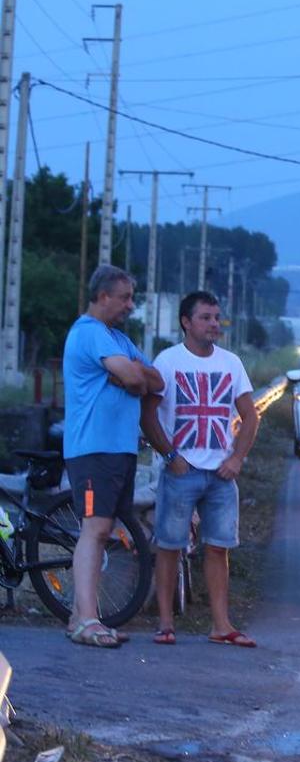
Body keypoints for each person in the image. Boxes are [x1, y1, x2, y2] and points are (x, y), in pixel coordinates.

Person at [141, 290, 260, 648]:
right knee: (169, 546)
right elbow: (148, 415)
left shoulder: (231, 363)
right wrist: (171, 456)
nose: (213, 324)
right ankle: (165, 624)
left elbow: (250, 416)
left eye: (216, 317)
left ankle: (221, 625)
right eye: (206, 317)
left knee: (218, 547)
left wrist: (236, 458)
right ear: (186, 322)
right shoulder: (167, 361)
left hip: (221, 474)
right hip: (182, 470)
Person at [62, 265, 163, 648]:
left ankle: (79, 616)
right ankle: (87, 620)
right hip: (94, 449)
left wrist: (126, 374)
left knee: (104, 531)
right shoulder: (89, 333)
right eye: (125, 298)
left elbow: (156, 380)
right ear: (103, 296)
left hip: (118, 449)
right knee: (96, 529)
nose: (130, 305)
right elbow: (139, 381)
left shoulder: (117, 339)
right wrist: (131, 376)